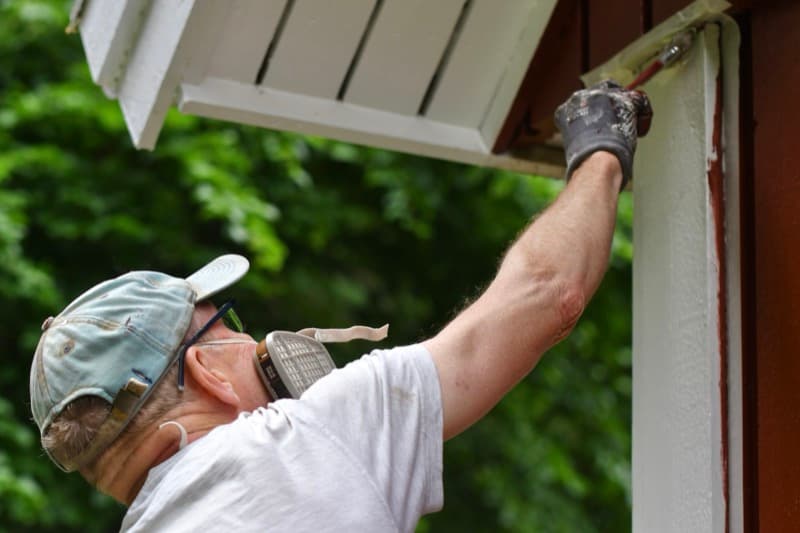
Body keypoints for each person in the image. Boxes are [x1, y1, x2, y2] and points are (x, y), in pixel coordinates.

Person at [29, 81, 652, 532]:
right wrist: (599, 145)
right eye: (228, 324)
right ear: (207, 370)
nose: (252, 340)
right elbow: (548, 292)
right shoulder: (299, 440)